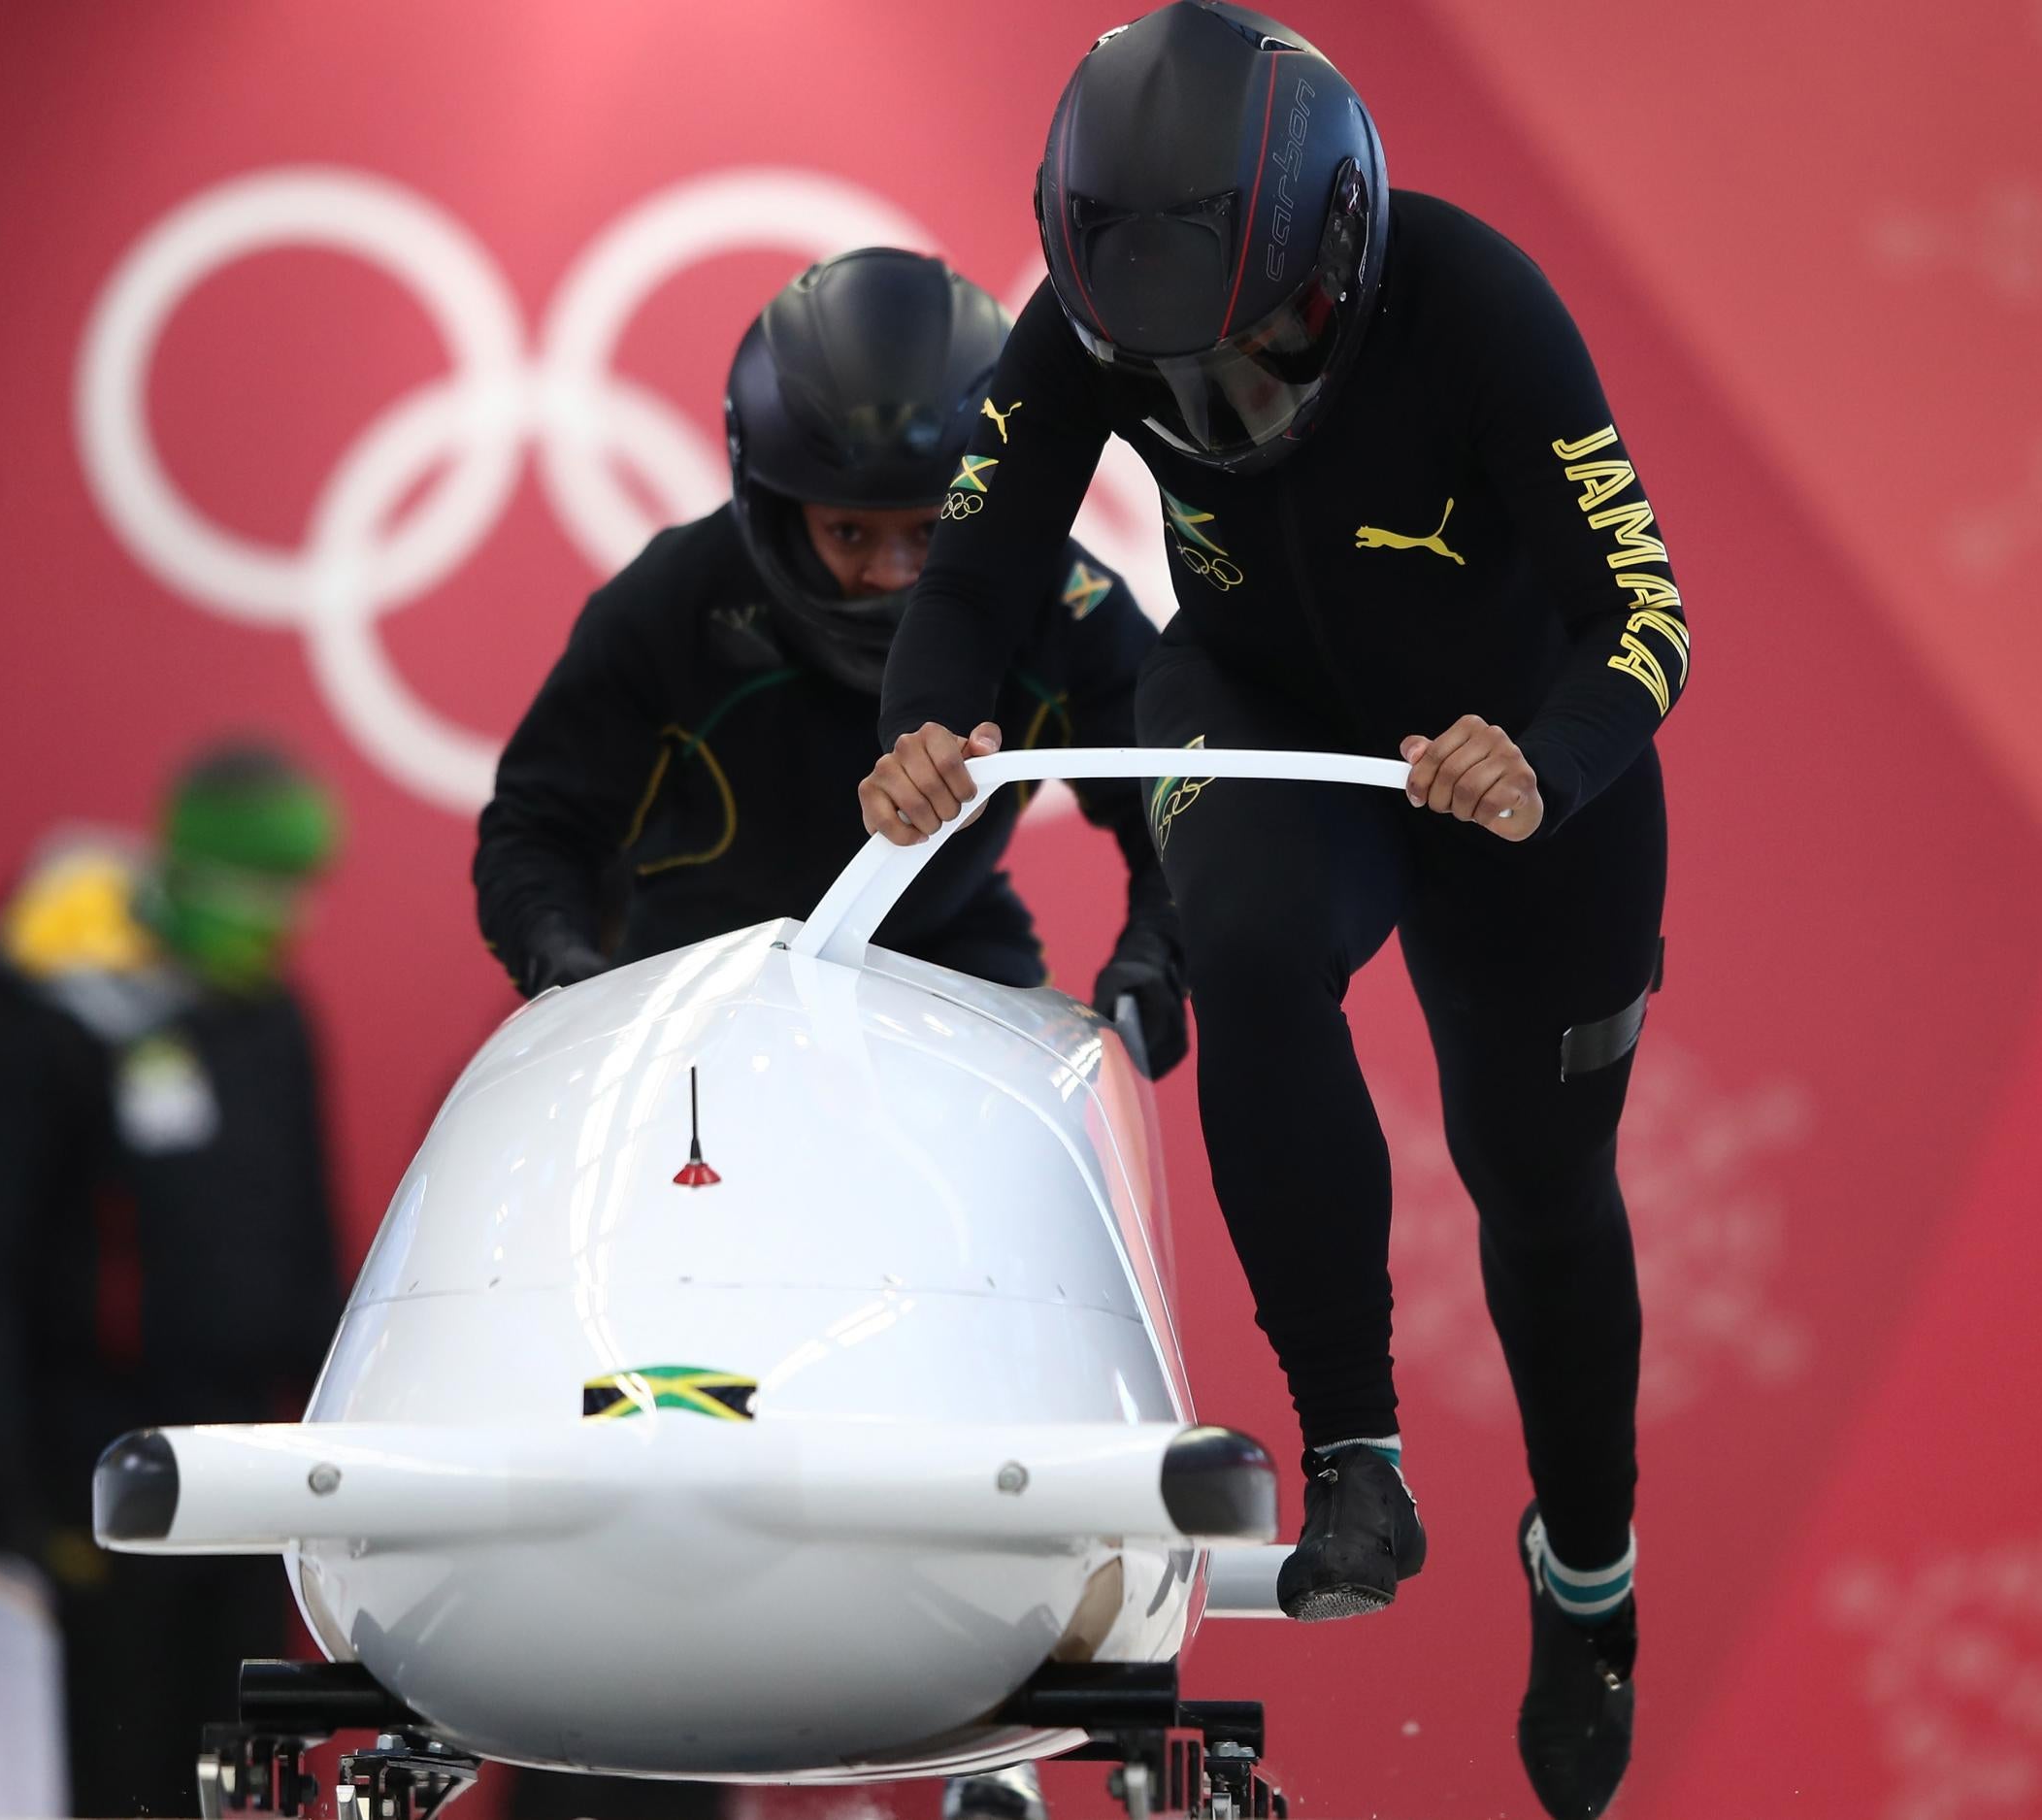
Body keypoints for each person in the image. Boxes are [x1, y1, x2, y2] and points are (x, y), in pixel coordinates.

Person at [860, 7, 1690, 1815]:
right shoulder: (1094, 333)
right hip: (1257, 706)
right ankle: (1354, 1453)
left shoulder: (1479, 304)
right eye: (1172, 378)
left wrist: (1542, 761)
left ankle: (1592, 1573)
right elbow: (981, 565)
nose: (1219, 403)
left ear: (1343, 249)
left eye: (1263, 353)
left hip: (1518, 763)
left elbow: (1649, 614)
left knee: (1541, 1189)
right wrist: (919, 731)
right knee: (1239, 942)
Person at [475, 247, 1182, 1820]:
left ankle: (999, 1682)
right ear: (765, 500)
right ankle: (631, 1704)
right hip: (689, 1021)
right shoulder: (674, 601)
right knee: (667, 1381)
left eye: (927, 537)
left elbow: (1177, 830)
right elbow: (537, 826)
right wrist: (568, 981)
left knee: (1036, 1149)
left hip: (940, 985)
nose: (879, 575)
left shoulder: (1066, 607)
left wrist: (1156, 958)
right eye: (847, 533)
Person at [0, 745, 347, 1817]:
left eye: (295, 893)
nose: (279, 918)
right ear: (188, 871)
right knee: (100, 1776)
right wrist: (6, 1487)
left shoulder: (274, 1019)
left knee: (227, 1781)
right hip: (91, 1473)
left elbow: (304, 1241)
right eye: (257, 889)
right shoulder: (53, 1026)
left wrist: (339, 1440)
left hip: (245, 1473)